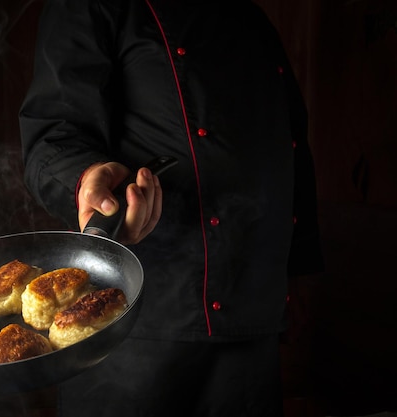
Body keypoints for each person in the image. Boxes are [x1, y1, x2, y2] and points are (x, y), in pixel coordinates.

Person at [18, 0, 324, 416]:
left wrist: (302, 269)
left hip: (255, 314)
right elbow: (52, 136)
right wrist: (83, 179)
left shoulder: (251, 17)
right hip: (136, 316)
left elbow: (290, 150)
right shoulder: (91, 7)